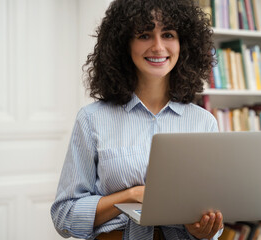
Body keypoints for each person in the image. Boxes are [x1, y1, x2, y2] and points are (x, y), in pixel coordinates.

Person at [51, 0, 224, 239]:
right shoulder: (92, 119)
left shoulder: (204, 122)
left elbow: (212, 217)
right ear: (124, 44)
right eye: (144, 35)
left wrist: (202, 228)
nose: (158, 46)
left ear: (183, 43)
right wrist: (130, 196)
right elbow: (64, 216)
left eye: (168, 34)